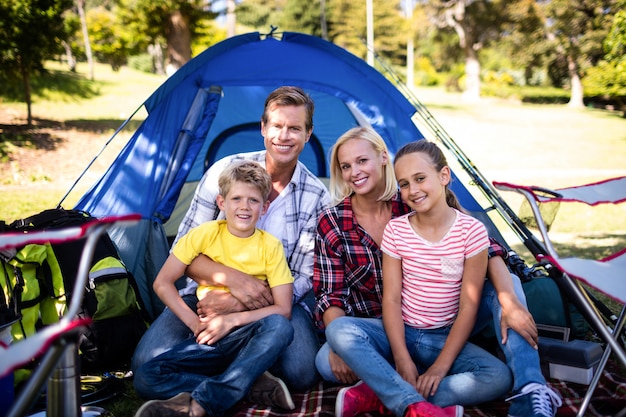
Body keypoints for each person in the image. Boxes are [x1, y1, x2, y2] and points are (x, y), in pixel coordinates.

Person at [314, 128, 560, 417]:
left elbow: (489, 248)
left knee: (508, 288)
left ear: (383, 158)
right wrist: (338, 344)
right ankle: (409, 393)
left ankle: (530, 388)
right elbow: (331, 295)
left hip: (447, 321)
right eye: (346, 166)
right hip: (384, 329)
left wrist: (508, 301)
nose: (355, 171)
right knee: (326, 359)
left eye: (362, 161)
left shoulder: (412, 199)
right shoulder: (334, 221)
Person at [131, 86, 330, 400]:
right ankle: (248, 381)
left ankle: (226, 371)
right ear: (263, 128)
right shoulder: (224, 173)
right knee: (147, 361)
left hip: (278, 302)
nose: (284, 136)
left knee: (302, 372)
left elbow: (306, 277)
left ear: (308, 134)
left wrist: (241, 303)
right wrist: (232, 282)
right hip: (206, 297)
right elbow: (183, 250)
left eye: (295, 128)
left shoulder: (316, 195)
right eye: (277, 125)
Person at [134, 160, 296, 417]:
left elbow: (283, 309)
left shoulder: (270, 246)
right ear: (221, 203)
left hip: (246, 337)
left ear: (265, 207)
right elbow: (162, 283)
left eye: (253, 201)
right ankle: (246, 385)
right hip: (206, 337)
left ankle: (207, 399)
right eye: (236, 198)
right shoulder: (203, 235)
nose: (244, 207)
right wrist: (194, 324)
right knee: (146, 376)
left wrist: (232, 320)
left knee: (280, 326)